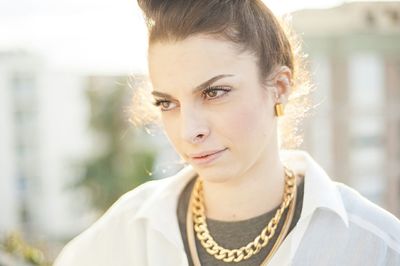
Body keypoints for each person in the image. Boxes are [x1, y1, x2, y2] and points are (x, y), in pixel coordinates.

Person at [54, 0, 400, 265]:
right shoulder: (124, 235)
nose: (189, 131)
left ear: (279, 87)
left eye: (214, 93)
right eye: (167, 103)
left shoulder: (375, 245)